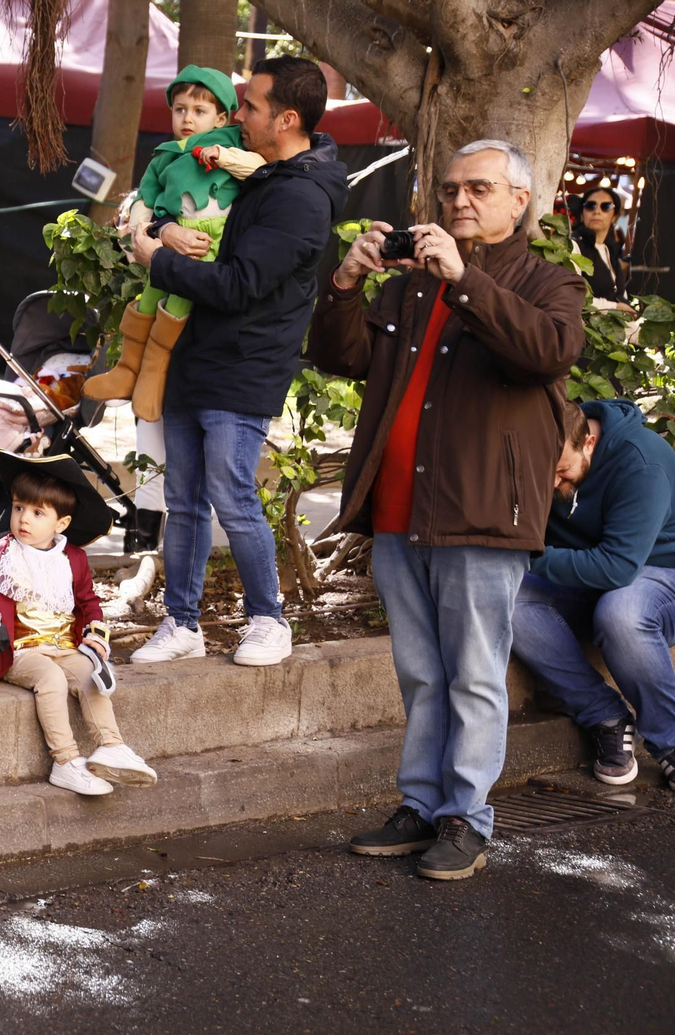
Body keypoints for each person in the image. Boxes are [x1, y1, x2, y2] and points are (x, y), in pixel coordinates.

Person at [306, 139, 586, 880]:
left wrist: (466, 281)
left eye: (480, 189)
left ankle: (468, 816)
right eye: (451, 189)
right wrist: (344, 282)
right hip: (399, 510)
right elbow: (340, 357)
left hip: (483, 512)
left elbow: (548, 352)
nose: (459, 201)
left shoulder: (547, 281)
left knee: (474, 675)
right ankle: (423, 805)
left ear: (520, 200)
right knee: (422, 675)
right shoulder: (408, 286)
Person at [127, 56, 347, 668]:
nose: (236, 116)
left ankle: (268, 618)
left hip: (244, 366)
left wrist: (158, 262)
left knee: (230, 492)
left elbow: (239, 284)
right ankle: (182, 620)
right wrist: (163, 231)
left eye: (249, 106)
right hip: (195, 354)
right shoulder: (256, 171)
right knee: (184, 495)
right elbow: (180, 210)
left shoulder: (301, 196)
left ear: (288, 119)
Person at [512, 400, 675, 796]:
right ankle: (605, 717)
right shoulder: (534, 450)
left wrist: (527, 554)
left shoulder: (641, 460)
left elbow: (617, 568)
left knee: (621, 610)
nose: (550, 484)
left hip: (669, 581)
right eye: (543, 472)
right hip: (584, 586)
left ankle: (674, 743)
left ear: (589, 442)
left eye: (561, 471)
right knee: (505, 599)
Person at [0, 453, 157, 796]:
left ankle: (110, 745)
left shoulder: (73, 558)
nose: (23, 519)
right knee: (50, 679)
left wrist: (95, 636)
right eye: (19, 508)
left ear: (60, 524)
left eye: (37, 513)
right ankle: (65, 762)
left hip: (64, 647)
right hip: (18, 651)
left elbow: (89, 604)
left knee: (91, 676)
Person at [85, 65, 263, 422]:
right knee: (147, 302)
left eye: (199, 111)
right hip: (166, 243)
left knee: (175, 308)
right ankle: (125, 370)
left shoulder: (232, 143)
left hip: (207, 245)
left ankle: (152, 376)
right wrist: (139, 230)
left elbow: (258, 169)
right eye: (180, 109)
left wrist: (223, 155)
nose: (187, 118)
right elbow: (144, 201)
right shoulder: (163, 156)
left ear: (221, 117)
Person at [571, 186, 628, 302]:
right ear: (582, 214)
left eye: (606, 207)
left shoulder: (609, 251)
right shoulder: (573, 245)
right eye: (590, 206)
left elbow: (620, 294)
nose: (597, 211)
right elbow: (572, 296)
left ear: (614, 217)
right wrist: (614, 307)